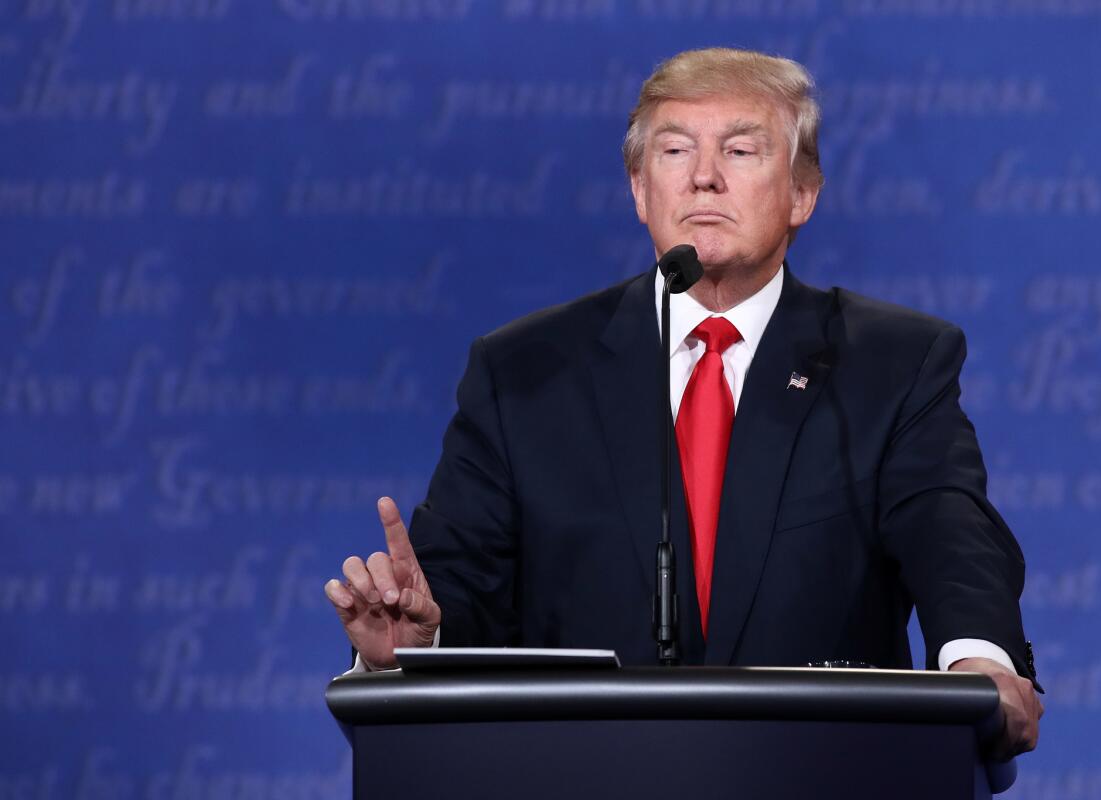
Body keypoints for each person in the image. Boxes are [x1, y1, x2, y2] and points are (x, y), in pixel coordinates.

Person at [323, 47, 1043, 758]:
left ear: (802, 193)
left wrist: (981, 663)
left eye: (739, 149)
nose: (703, 177)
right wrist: (418, 642)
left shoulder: (891, 363)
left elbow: (952, 536)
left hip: (818, 767)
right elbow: (456, 588)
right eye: (674, 151)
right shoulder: (523, 372)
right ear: (640, 191)